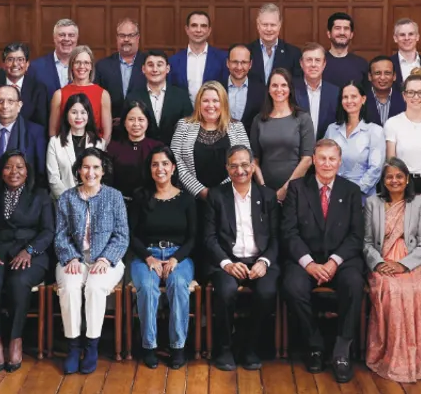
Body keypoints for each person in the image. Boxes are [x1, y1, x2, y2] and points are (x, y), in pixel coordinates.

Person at [280, 139, 364, 383]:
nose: (327, 163)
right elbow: (289, 232)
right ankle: (314, 343)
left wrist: (334, 262)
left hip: (341, 260)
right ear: (313, 160)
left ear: (339, 162)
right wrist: (309, 263)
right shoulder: (296, 188)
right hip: (306, 259)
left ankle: (341, 349)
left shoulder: (351, 191)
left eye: (332, 159)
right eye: (322, 158)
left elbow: (356, 235)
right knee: (292, 287)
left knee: (354, 285)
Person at [363, 157, 421, 383]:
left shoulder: (420, 203)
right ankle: (390, 357)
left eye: (399, 176)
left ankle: (417, 357)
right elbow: (367, 242)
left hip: (413, 262)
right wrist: (378, 263)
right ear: (383, 181)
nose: (394, 180)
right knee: (392, 290)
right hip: (382, 261)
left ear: (407, 179)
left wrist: (403, 264)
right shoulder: (372, 203)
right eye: (389, 176)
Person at [0, 150, 53, 373]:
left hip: (32, 254)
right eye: (8, 167)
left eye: (20, 167)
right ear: (1, 172)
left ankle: (16, 339)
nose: (14, 172)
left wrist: (29, 251)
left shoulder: (40, 196)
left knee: (18, 282)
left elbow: (48, 231)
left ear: (27, 172)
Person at [202, 146, 279, 372]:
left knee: (267, 292)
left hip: (259, 261)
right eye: (234, 166)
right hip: (227, 261)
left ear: (253, 167)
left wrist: (264, 262)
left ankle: (250, 346)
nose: (240, 170)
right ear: (227, 168)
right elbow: (208, 238)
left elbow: (277, 238)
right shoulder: (216, 196)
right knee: (225, 292)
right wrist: (226, 263)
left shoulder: (267, 196)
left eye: (245, 165)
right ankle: (225, 347)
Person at [53, 148, 129, 375]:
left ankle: (92, 345)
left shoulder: (114, 196)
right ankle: (73, 347)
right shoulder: (67, 197)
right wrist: (71, 257)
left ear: (103, 170)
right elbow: (61, 234)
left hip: (106, 259)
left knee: (95, 288)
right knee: (69, 287)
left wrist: (106, 257)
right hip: (74, 258)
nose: (91, 172)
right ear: (78, 170)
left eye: (96, 167)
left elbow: (122, 235)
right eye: (86, 167)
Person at [128, 147, 198, 369]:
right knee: (148, 288)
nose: (160, 169)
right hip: (146, 256)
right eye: (155, 164)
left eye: (165, 164)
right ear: (150, 169)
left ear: (173, 167)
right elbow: (130, 235)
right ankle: (149, 346)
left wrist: (176, 258)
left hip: (178, 256)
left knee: (178, 284)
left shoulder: (186, 199)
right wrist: (148, 258)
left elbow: (193, 238)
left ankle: (177, 347)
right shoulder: (140, 197)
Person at [171, 82, 250, 199]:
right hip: (191, 198)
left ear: (223, 103)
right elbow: (174, 159)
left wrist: (220, 192)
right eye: (205, 101)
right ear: (199, 103)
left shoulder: (237, 127)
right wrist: (200, 190)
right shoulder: (184, 126)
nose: (210, 105)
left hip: (229, 197)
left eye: (215, 101)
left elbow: (247, 162)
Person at [249, 68, 314, 200]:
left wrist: (285, 189)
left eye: (284, 85)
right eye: (274, 85)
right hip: (265, 192)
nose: (279, 89)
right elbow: (254, 159)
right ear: (268, 89)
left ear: (290, 88)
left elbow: (307, 159)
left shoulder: (303, 118)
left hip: (296, 190)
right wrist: (263, 188)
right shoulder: (259, 120)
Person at [325, 81, 385, 197]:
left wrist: (353, 191)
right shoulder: (332, 129)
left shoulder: (375, 131)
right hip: (332, 195)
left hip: (361, 197)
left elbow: (376, 168)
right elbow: (322, 161)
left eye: (353, 96)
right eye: (345, 97)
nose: (349, 101)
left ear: (363, 99)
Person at [46, 94, 108, 199]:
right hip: (63, 202)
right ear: (67, 114)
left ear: (88, 115)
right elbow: (53, 179)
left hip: (93, 201)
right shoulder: (55, 142)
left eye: (83, 112)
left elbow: (101, 177)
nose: (79, 117)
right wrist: (71, 201)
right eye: (74, 112)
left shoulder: (98, 143)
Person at [0, 42, 48, 127]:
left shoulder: (38, 89)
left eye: (20, 59)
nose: (15, 64)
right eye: (10, 59)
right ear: (3, 64)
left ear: (27, 64)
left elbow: (41, 125)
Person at [130, 50, 193, 145]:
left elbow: (189, 129)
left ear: (167, 69)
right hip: (141, 153)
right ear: (143, 69)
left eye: (159, 65)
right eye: (150, 65)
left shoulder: (181, 96)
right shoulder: (133, 97)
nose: (155, 69)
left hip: (174, 154)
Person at [48, 45, 112, 140]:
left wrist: (97, 152)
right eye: (77, 62)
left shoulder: (103, 94)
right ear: (72, 65)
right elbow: (53, 131)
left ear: (91, 66)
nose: (82, 66)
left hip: (94, 150)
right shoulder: (59, 95)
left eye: (86, 63)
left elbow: (107, 133)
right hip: (65, 149)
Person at [107, 102, 165, 199]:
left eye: (141, 119)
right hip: (119, 202)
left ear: (148, 121)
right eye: (131, 119)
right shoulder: (113, 147)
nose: (136, 124)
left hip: (151, 203)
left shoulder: (157, 147)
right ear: (124, 122)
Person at [168, 10, 228, 98]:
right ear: (187, 29)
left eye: (203, 26)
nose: (198, 30)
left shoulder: (222, 59)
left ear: (209, 31)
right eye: (194, 25)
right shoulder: (173, 61)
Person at [95, 19, 141, 118]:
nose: (126, 39)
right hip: (111, 127)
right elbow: (97, 100)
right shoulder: (102, 66)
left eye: (131, 35)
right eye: (122, 35)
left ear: (138, 38)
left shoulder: (148, 64)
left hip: (142, 127)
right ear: (117, 38)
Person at [294, 43, 339, 139]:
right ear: (301, 64)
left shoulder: (335, 93)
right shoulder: (291, 90)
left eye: (318, 60)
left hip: (326, 150)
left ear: (324, 64)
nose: (313, 65)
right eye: (309, 60)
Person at [247, 3, 300, 84]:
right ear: (258, 25)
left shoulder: (293, 54)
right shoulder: (247, 52)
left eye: (273, 25)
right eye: (265, 25)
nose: (269, 29)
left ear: (279, 25)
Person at [28, 18, 79, 99]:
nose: (66, 39)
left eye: (71, 35)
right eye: (62, 35)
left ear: (77, 38)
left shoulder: (85, 68)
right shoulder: (36, 67)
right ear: (54, 38)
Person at [389, 18, 421, 96]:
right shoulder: (388, 65)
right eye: (402, 35)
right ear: (395, 38)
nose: (407, 38)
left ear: (417, 37)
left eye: (411, 34)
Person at [224, 44, 265, 129]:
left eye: (244, 62)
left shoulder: (262, 91)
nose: (239, 67)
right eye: (235, 62)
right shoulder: (216, 88)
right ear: (228, 63)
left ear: (250, 64)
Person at [323, 12, 369, 89]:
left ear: (351, 35)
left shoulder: (362, 64)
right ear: (329, 34)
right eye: (337, 28)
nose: (342, 32)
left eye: (346, 28)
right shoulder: (318, 62)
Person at [365, 55, 406, 126]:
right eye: (377, 73)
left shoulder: (405, 100)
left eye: (387, 73)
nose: (382, 77)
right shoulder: (360, 100)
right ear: (369, 76)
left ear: (394, 76)